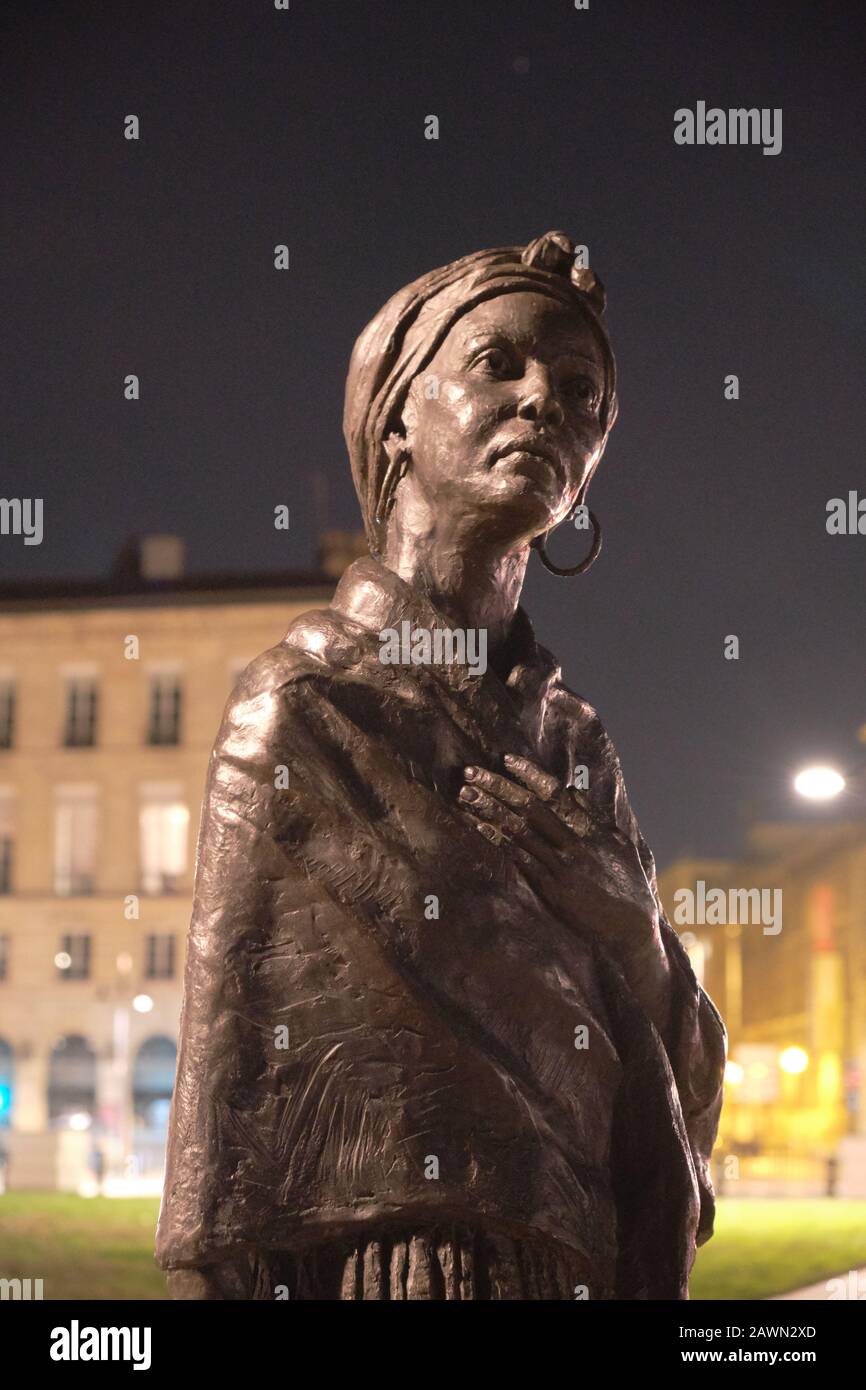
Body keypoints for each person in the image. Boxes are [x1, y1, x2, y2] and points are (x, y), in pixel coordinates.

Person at [156, 231, 726, 1300]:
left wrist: (623, 925)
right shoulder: (301, 709)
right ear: (396, 418)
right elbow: (219, 1132)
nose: (543, 400)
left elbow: (686, 1072)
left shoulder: (574, 743)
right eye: (496, 364)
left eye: (580, 389)